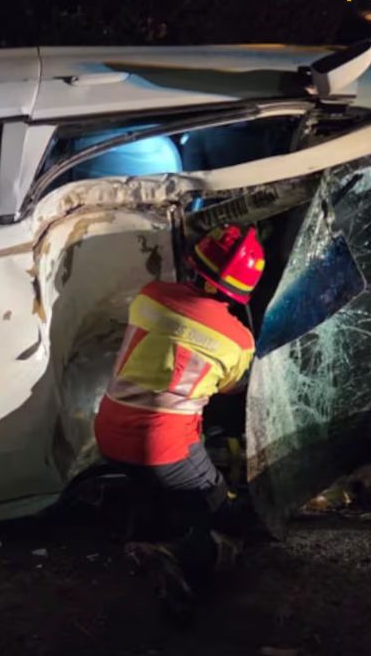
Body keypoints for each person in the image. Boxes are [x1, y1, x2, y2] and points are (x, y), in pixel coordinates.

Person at [93, 223, 265, 613]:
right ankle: (174, 557)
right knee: (219, 511)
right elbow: (231, 389)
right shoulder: (239, 341)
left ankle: (143, 535)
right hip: (163, 445)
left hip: (107, 432)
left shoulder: (150, 296)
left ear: (195, 264)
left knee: (151, 486)